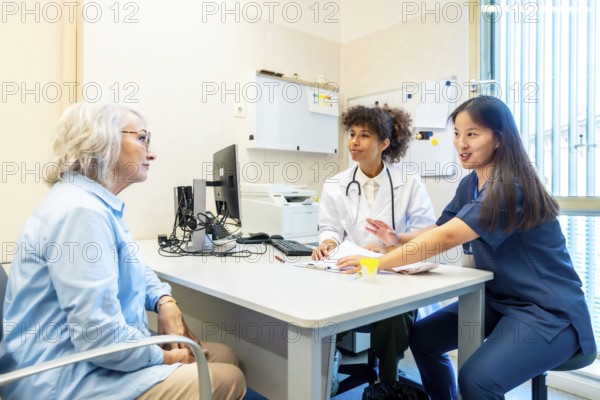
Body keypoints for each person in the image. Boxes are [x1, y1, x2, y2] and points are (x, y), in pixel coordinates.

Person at [337, 96, 596, 399]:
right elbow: (440, 228)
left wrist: (377, 263)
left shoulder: (510, 185)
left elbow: (447, 239)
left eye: (472, 134)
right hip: (498, 302)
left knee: (476, 380)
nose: (461, 143)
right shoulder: (470, 183)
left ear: (499, 138)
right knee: (423, 338)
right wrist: (399, 239)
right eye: (457, 134)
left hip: (547, 311)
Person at [0, 103, 246, 400]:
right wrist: (164, 358)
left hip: (84, 359)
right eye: (142, 138)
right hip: (64, 379)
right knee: (228, 376)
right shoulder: (81, 213)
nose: (151, 153)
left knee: (223, 354)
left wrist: (164, 300)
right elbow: (99, 337)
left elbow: (134, 265)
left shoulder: (91, 204)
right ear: (102, 142)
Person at [313, 104, 437, 384]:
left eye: (364, 135)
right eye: (352, 133)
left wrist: (390, 248)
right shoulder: (336, 183)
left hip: (394, 274)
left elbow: (427, 232)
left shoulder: (409, 182)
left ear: (384, 143)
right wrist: (329, 243)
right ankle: (322, 373)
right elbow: (329, 227)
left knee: (394, 315)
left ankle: (388, 381)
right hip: (349, 272)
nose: (354, 142)